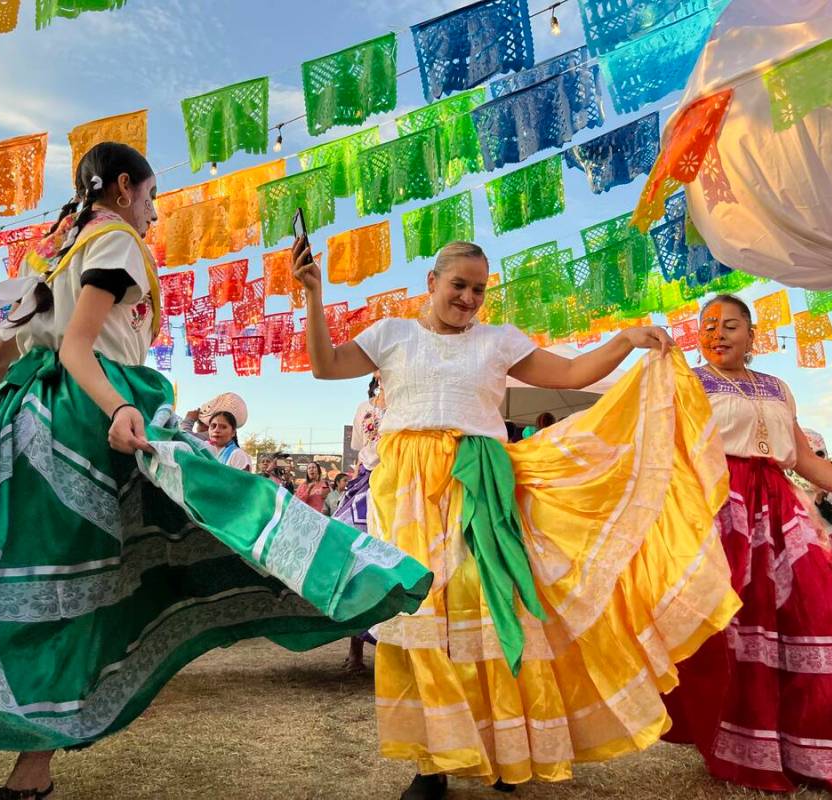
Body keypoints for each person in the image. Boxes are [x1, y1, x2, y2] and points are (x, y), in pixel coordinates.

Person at [0, 142, 431, 797]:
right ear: (123, 187)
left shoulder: (47, 253)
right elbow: (76, 346)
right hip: (86, 421)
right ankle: (350, 573)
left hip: (17, 423)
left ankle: (0, 751)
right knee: (100, 586)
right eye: (150, 198)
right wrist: (119, 406)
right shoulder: (117, 243)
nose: (153, 216)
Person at [294, 237, 740, 798]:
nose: (469, 298)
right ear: (431, 282)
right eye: (458, 285)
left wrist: (626, 339)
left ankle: (509, 752)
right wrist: (313, 294)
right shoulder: (392, 334)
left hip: (481, 481)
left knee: (492, 606)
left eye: (479, 290)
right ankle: (432, 765)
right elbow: (324, 365)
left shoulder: (498, 341)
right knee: (423, 618)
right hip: (405, 488)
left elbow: (574, 374)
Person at [661, 294, 832, 796]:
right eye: (708, 325)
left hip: (784, 513)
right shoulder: (686, 382)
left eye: (731, 325)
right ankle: (745, 750)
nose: (717, 333)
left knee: (814, 616)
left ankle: (813, 748)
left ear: (753, 337)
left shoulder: (776, 388)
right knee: (737, 629)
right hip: (718, 509)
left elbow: (803, 459)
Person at [336, 373, 387, 671]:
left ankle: (398, 650)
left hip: (402, 477)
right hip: (367, 485)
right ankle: (355, 651)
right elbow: (360, 453)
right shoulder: (363, 408)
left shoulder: (410, 401)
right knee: (354, 554)